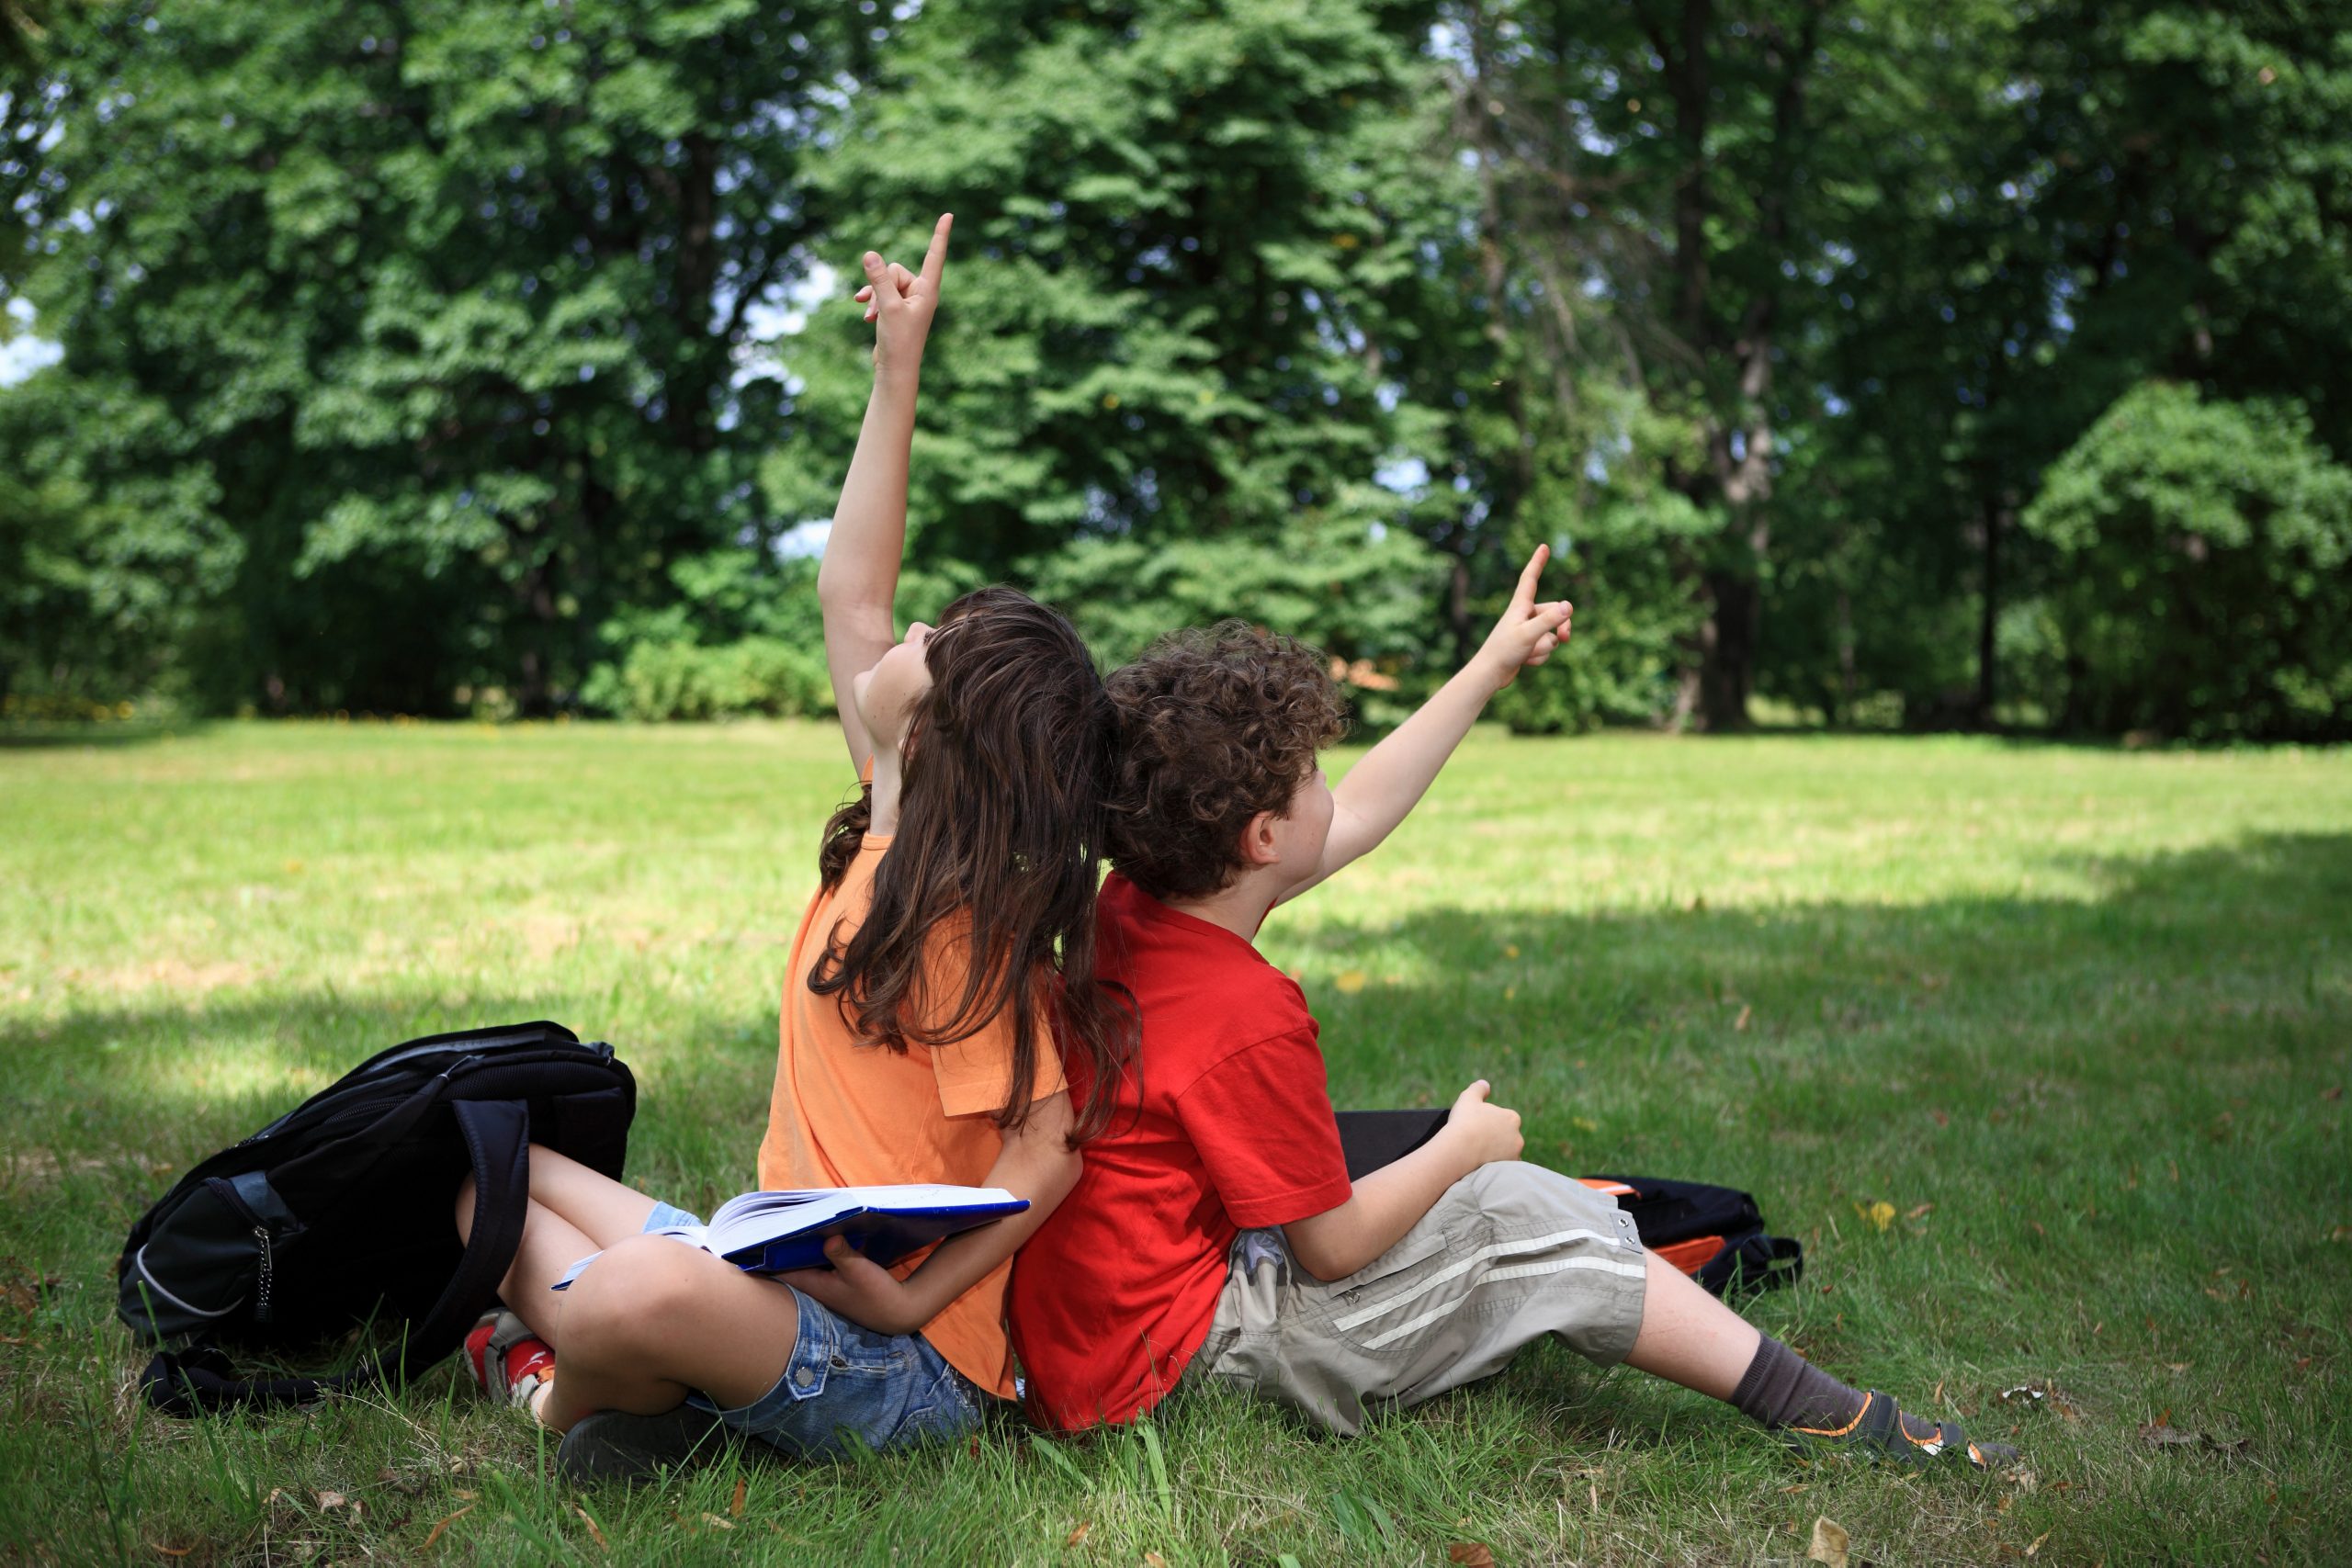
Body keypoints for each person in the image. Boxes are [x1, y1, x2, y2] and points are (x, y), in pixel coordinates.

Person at [1010, 554, 2015, 1471]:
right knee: (1512, 1214)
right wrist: (1464, 1144)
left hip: (1099, 1337)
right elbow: (1332, 1250)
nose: (1333, 789)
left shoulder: (1136, 907)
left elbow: (1356, 813)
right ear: (1265, 836)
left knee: (1427, 1180)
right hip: (1174, 1364)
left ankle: (1636, 1271)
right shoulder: (1246, 1012)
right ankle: (1834, 1415)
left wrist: (1487, 667)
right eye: (1310, 774)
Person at [454, 214, 1136, 1480]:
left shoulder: (955, 923)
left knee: (624, 1293)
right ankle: (666, 1385)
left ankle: (561, 1390)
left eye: (928, 644)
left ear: (935, 741)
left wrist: (912, 1305)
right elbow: (849, 591)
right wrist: (898, 370)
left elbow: (1052, 1147)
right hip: (770, 1268)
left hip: (900, 1363)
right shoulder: (895, 810)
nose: (907, 624)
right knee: (483, 1171)